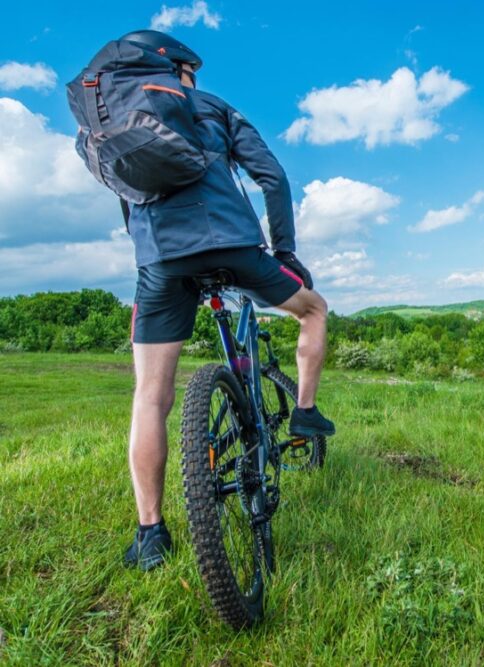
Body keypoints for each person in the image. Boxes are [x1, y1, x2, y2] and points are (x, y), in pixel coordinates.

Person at [117, 30, 334, 571]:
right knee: (315, 309)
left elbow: (129, 205)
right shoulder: (213, 107)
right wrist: (284, 251)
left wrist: (153, 260)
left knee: (150, 397)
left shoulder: (120, 120)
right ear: (182, 70)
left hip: (161, 260)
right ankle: (304, 414)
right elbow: (273, 179)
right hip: (235, 246)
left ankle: (150, 535)